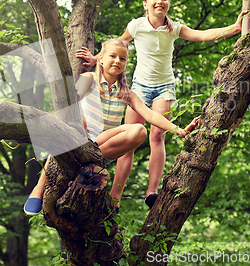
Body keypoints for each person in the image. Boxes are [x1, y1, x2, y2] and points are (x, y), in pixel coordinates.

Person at [76, 0, 247, 209]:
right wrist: (96, 58)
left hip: (164, 87)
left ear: (168, 4)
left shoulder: (173, 28)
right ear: (145, 3)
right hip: (138, 87)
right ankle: (116, 196)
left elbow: (203, 35)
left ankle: (152, 191)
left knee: (157, 135)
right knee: (130, 143)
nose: (159, 2)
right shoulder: (136, 26)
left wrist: (234, 28)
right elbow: (117, 45)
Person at [24, 38, 199, 215]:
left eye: (122, 58)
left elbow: (150, 114)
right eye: (113, 56)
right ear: (100, 58)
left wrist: (178, 130)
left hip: (101, 145)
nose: (117, 61)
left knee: (139, 130)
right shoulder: (89, 79)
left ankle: (90, 160)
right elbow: (73, 100)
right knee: (78, 120)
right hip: (79, 137)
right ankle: (38, 189)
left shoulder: (125, 92)